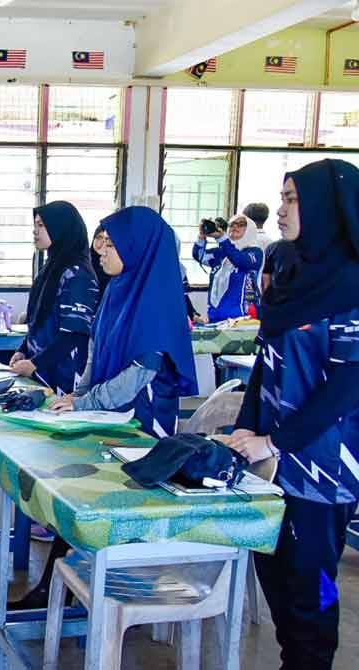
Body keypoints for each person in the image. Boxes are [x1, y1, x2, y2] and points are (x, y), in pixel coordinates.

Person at [11, 207, 198, 610]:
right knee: (74, 490)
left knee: (101, 499)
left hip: (139, 428)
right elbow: (95, 351)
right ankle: (59, 588)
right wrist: (78, 396)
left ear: (137, 247)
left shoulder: (156, 300)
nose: (101, 252)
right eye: (100, 243)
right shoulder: (117, 287)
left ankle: (81, 592)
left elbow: (138, 376)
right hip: (106, 415)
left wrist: (86, 401)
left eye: (111, 245)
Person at [229, 159, 359, 670]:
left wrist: (276, 440)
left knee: (315, 586)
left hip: (322, 466)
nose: (281, 210)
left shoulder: (351, 283)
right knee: (273, 569)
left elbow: (350, 382)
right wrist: (246, 423)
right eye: (281, 198)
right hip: (271, 459)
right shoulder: (291, 270)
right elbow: (267, 361)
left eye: (292, 199)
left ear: (326, 206)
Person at [9, 202, 99, 396]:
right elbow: (40, 320)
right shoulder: (51, 268)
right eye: (35, 225)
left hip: (64, 377)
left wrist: (34, 363)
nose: (35, 231)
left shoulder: (77, 275)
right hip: (43, 372)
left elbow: (74, 334)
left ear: (61, 227)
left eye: (41, 225)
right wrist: (23, 349)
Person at [193, 213, 263, 323]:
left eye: (241, 224)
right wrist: (202, 237)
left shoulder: (255, 252)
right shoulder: (222, 251)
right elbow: (199, 256)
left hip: (242, 319)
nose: (235, 227)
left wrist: (221, 239)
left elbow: (238, 259)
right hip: (215, 317)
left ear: (250, 229)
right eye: (232, 224)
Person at [90, 224, 111, 300]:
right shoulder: (84, 261)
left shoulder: (116, 266)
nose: (102, 243)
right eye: (99, 237)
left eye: (107, 239)